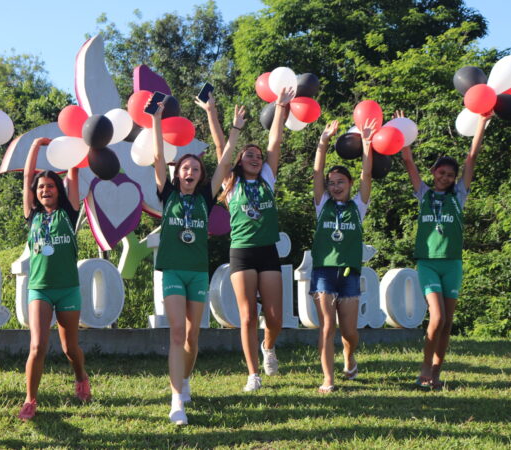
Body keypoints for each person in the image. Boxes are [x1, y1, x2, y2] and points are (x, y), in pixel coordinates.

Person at [197, 87, 294, 391]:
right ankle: (253, 374)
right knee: (248, 315)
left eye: (258, 156)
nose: (255, 157)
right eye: (248, 155)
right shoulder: (229, 182)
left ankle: (268, 346)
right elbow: (219, 144)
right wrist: (211, 111)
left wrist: (280, 107)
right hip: (241, 252)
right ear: (239, 161)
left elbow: (275, 141)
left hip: (267, 251)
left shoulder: (267, 178)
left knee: (275, 318)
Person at [151, 99, 238, 425]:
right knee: (176, 334)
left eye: (195, 169)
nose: (190, 171)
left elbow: (226, 163)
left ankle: (185, 380)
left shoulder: (204, 197)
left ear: (201, 176)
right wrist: (157, 119)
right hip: (172, 270)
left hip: (197, 274)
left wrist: (235, 130)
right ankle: (177, 402)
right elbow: (159, 156)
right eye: (185, 168)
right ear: (177, 173)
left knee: (192, 337)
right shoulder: (168, 194)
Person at [400, 112, 488, 390]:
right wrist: (403, 135)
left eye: (450, 174)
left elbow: (471, 159)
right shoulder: (423, 194)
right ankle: (424, 368)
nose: (446, 177)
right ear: (434, 174)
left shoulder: (459, 195)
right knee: (436, 317)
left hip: (453, 264)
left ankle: (436, 372)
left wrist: (482, 124)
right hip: (428, 263)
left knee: (448, 323)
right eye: (441, 172)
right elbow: (409, 162)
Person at [17, 137, 90, 421]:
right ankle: (30, 399)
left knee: (70, 348)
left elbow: (73, 171)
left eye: (50, 186)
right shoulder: (31, 214)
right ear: (35, 193)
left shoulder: (68, 212)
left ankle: (81, 377)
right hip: (40, 290)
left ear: (58, 191)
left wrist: (68, 143)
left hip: (68, 290)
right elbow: (26, 178)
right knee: (37, 346)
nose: (45, 190)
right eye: (41, 187)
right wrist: (36, 146)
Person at [310, 119, 375, 393]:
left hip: (349, 274)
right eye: (331, 182)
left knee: (349, 331)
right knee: (327, 327)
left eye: (340, 182)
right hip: (324, 272)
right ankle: (328, 378)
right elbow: (316, 172)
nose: (335, 186)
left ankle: (349, 356)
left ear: (349, 184)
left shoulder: (358, 206)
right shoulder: (322, 203)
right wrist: (323, 142)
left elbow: (367, 176)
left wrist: (368, 144)